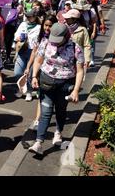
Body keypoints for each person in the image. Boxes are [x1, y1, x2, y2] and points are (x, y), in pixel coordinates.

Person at [28, 23, 84, 155]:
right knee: (46, 111)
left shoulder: (75, 47)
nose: (56, 43)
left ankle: (58, 132)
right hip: (46, 82)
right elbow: (38, 60)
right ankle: (38, 142)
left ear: (67, 36)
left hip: (65, 84)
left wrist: (76, 90)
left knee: (60, 109)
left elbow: (80, 71)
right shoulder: (46, 42)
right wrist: (34, 76)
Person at [23, 14, 58, 129]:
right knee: (42, 96)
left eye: (50, 26)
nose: (47, 28)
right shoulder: (41, 36)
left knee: (52, 99)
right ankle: (38, 119)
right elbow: (35, 52)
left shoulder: (59, 38)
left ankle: (51, 119)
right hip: (40, 69)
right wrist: (28, 66)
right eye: (45, 25)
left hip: (54, 72)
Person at [13, 9, 41, 101]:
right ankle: (21, 89)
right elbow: (16, 34)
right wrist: (17, 38)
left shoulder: (39, 27)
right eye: (27, 16)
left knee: (29, 73)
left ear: (35, 17)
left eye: (30, 16)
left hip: (32, 51)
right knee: (18, 72)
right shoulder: (23, 24)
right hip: (21, 50)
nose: (28, 18)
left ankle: (29, 91)